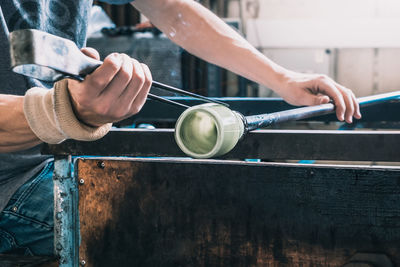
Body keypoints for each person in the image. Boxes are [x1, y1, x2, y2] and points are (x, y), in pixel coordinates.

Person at [0, 0, 361, 256]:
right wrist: (59, 111)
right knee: (201, 218)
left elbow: (171, 7)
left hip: (62, 152)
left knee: (258, 189)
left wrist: (283, 78)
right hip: (9, 182)